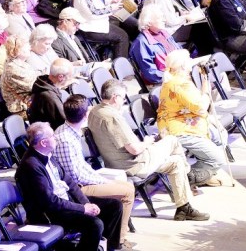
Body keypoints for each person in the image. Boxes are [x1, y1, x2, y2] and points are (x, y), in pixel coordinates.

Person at [88, 79, 209, 221]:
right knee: (172, 140)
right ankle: (189, 176)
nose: (123, 101)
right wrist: (148, 141)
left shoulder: (94, 111)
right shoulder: (113, 117)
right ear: (115, 97)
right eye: (123, 97)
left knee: (176, 162)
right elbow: (134, 149)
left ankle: (183, 208)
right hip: (133, 164)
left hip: (118, 162)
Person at [15, 122, 123, 251]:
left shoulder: (47, 154)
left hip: (64, 202)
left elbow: (69, 182)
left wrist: (86, 204)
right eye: (53, 136)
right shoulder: (31, 166)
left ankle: (107, 248)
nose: (56, 138)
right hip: (50, 213)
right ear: (43, 143)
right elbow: (50, 202)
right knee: (94, 224)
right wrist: (83, 209)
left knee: (114, 206)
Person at [52, 95, 136, 248]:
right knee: (128, 193)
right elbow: (75, 176)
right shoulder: (65, 139)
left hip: (83, 180)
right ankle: (118, 241)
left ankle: (114, 237)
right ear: (85, 116)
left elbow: (82, 166)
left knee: (128, 186)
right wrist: (102, 180)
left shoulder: (70, 132)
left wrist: (100, 177)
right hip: (76, 188)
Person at [156, 49, 231, 187]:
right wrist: (207, 95)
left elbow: (198, 104)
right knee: (218, 159)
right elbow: (201, 106)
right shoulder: (179, 84)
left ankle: (207, 174)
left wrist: (204, 80)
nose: (191, 62)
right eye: (189, 59)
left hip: (189, 120)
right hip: (179, 128)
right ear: (184, 65)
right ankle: (186, 178)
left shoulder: (179, 79)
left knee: (221, 135)